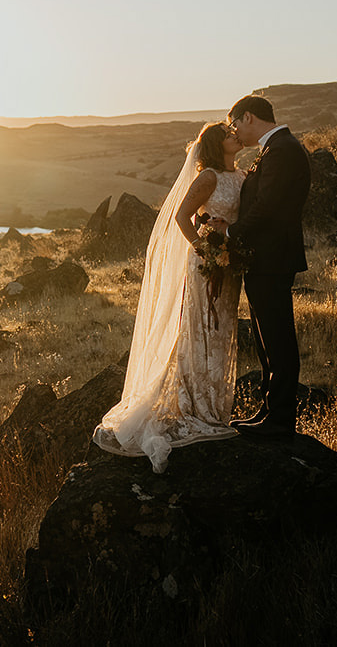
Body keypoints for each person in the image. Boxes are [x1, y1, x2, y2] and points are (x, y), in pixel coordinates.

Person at [93, 121, 246, 471]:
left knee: (221, 331)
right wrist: (204, 250)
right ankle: (195, 405)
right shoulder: (208, 176)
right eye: (228, 134)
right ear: (214, 144)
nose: (235, 135)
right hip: (207, 261)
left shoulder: (240, 176)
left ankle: (215, 405)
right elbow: (181, 216)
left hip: (229, 264)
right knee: (201, 329)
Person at [209, 94, 311, 437]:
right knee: (267, 338)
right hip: (264, 258)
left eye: (236, 123)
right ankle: (268, 410)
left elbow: (268, 206)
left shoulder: (283, 150)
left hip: (273, 258)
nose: (236, 131)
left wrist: (230, 232)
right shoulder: (276, 149)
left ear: (249, 117)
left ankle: (280, 420)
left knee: (278, 338)